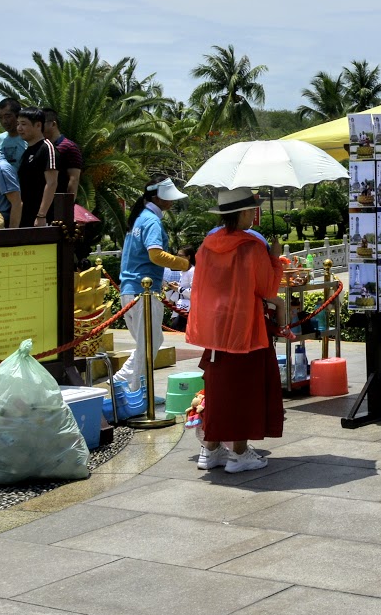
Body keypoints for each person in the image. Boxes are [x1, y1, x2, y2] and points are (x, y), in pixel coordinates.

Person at [187, 189, 286, 473]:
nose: (253, 215)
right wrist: (274, 259)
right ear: (243, 213)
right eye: (251, 210)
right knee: (245, 388)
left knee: (218, 386)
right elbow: (267, 288)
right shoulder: (251, 246)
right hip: (246, 326)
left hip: (216, 326)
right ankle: (239, 454)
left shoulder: (208, 245)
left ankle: (210, 449)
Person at [114, 177, 190, 393]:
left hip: (130, 290)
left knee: (150, 342)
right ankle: (132, 390)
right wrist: (184, 264)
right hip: (144, 292)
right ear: (157, 198)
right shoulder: (151, 221)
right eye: (169, 197)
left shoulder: (140, 218)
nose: (172, 201)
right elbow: (155, 255)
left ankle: (128, 385)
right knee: (149, 345)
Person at [15, 107, 59, 227]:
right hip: (26, 215)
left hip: (42, 219)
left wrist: (41, 215)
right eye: (18, 124)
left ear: (38, 125)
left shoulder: (47, 148)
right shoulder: (27, 151)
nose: (19, 128)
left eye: (23, 124)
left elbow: (52, 183)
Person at [42, 108, 84, 200]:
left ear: (53, 124)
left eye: (42, 123)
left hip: (59, 202)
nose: (39, 127)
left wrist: (66, 205)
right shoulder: (42, 147)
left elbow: (74, 179)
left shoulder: (69, 147)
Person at [0, 98, 29, 170]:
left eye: (8, 116)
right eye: (0, 117)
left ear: (18, 115)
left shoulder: (28, 139)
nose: (4, 121)